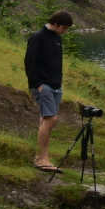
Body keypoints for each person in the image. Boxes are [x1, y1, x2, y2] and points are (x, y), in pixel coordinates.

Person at [25, 11, 74, 172]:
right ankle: (40, 159)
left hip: (55, 86)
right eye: (64, 28)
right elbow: (29, 62)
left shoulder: (57, 38)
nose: (65, 31)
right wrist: (38, 84)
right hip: (43, 86)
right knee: (50, 119)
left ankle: (44, 158)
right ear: (56, 23)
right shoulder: (38, 36)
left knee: (46, 121)